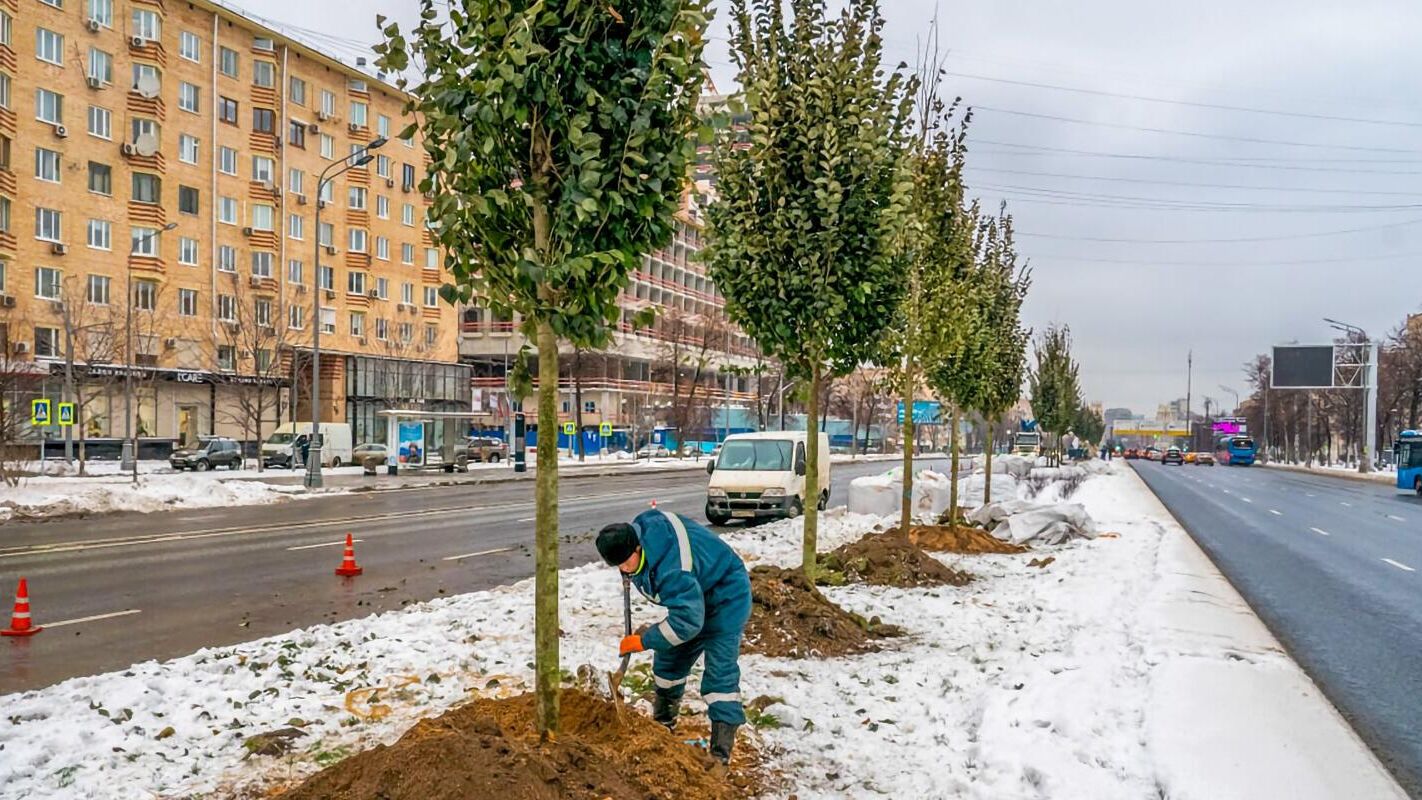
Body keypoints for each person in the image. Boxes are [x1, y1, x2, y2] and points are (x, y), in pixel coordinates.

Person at [596, 509, 752, 765]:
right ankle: (663, 728)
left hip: (726, 597)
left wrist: (645, 640)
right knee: (668, 663)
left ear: (637, 547)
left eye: (626, 563)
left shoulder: (671, 568)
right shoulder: (640, 538)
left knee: (719, 678)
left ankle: (719, 756)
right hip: (693, 597)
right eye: (618, 566)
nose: (624, 570)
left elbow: (688, 622)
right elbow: (687, 614)